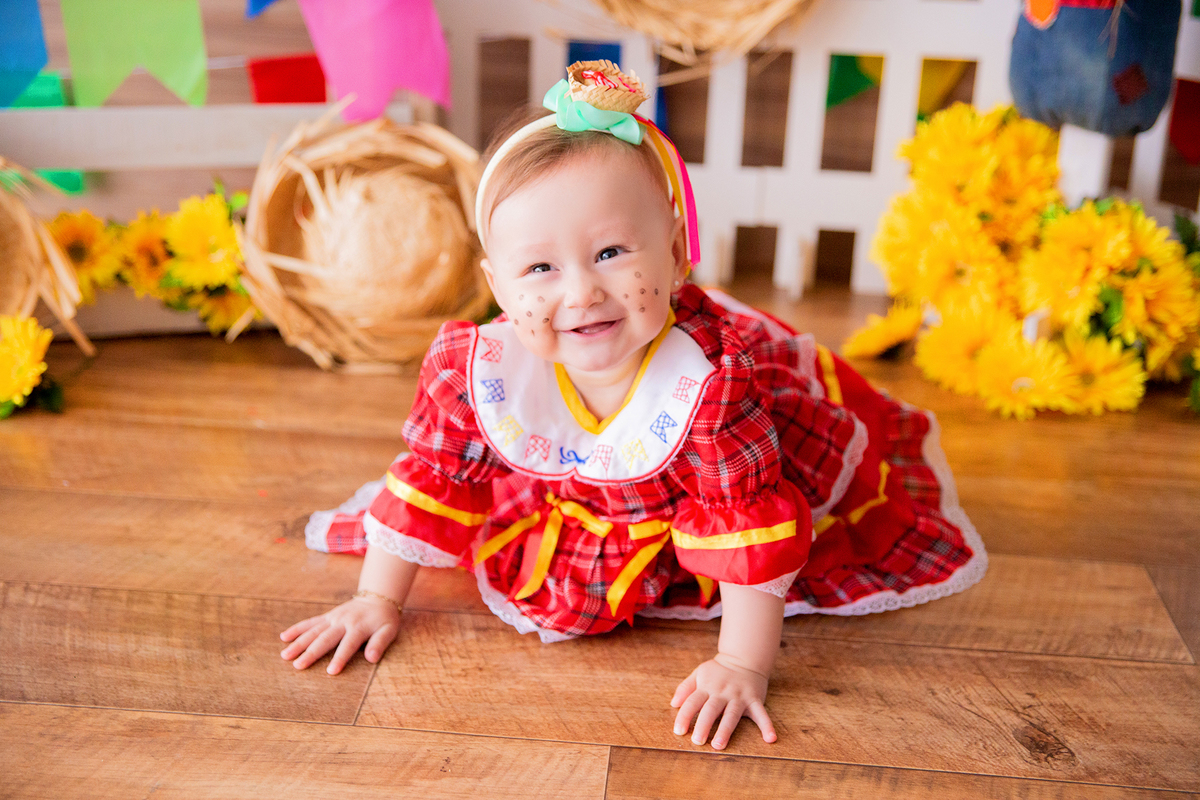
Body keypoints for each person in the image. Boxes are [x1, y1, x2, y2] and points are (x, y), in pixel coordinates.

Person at [281, 61, 987, 751]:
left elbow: (745, 516)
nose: (582, 292)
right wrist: (379, 598)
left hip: (700, 489)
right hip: (577, 480)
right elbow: (440, 470)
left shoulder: (709, 383)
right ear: (497, 286)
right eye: (540, 269)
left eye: (613, 251)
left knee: (759, 509)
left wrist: (742, 664)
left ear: (677, 253)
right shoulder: (483, 370)